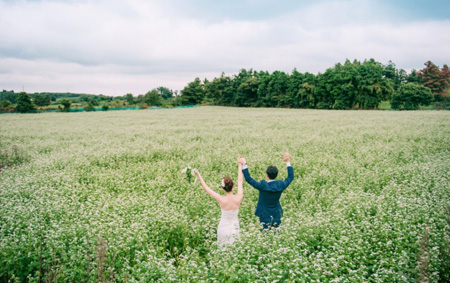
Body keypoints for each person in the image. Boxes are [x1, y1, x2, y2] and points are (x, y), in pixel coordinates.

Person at [193, 157, 244, 246]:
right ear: (233, 186)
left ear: (222, 188)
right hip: (235, 229)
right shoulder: (238, 197)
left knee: (223, 250)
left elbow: (207, 188)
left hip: (223, 229)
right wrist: (240, 165)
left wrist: (198, 175)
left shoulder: (221, 199)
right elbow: (240, 180)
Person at [239, 153, 293, 229]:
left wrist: (244, 164)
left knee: (265, 235)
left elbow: (249, 179)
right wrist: (287, 162)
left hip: (264, 216)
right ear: (277, 175)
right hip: (276, 216)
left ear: (266, 175)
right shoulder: (280, 185)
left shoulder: (263, 186)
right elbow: (290, 177)